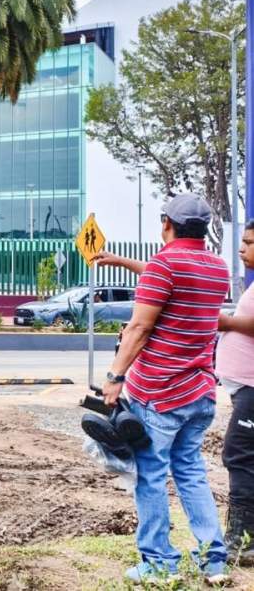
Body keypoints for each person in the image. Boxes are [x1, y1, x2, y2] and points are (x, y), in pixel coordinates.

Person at [94, 194, 230, 585]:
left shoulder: (165, 264)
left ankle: (158, 565)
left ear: (166, 223)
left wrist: (115, 377)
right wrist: (121, 262)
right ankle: (212, 560)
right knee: (190, 472)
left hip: (161, 394)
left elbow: (139, 327)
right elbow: (166, 273)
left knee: (150, 475)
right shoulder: (216, 268)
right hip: (201, 392)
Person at [215, 220, 254, 564]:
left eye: (250, 243)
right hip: (246, 388)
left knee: (239, 454)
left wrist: (226, 322)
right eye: (242, 242)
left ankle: (243, 541)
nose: (243, 249)